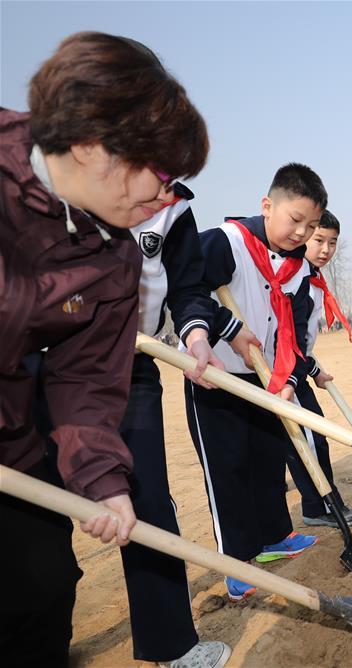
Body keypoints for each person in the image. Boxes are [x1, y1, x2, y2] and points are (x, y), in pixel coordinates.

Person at [0, 32, 208, 666]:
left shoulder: (116, 258)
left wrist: (102, 482)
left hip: (12, 439)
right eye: (162, 174)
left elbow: (87, 382)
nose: (165, 197)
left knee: (41, 589)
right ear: (94, 145)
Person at [185, 163, 325, 602]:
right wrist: (216, 328)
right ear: (267, 206)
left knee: (267, 462)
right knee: (228, 471)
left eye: (312, 225)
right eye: (294, 220)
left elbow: (296, 332)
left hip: (266, 379)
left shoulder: (298, 268)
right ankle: (236, 560)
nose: (301, 232)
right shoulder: (225, 243)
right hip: (218, 378)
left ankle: (274, 538)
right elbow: (189, 289)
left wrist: (289, 379)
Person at [122, 184, 243, 666]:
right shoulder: (53, 179)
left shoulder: (174, 205)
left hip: (132, 364)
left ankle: (169, 644)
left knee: (147, 499)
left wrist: (195, 333)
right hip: (39, 362)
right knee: (37, 536)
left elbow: (186, 285)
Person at [284, 209, 352, 528]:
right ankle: (321, 505)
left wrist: (313, 366)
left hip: (298, 367)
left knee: (309, 436)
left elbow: (301, 338)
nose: (325, 250)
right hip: (280, 371)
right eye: (319, 240)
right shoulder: (292, 276)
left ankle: (317, 505)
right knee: (309, 437)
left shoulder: (312, 279)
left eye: (332, 243)